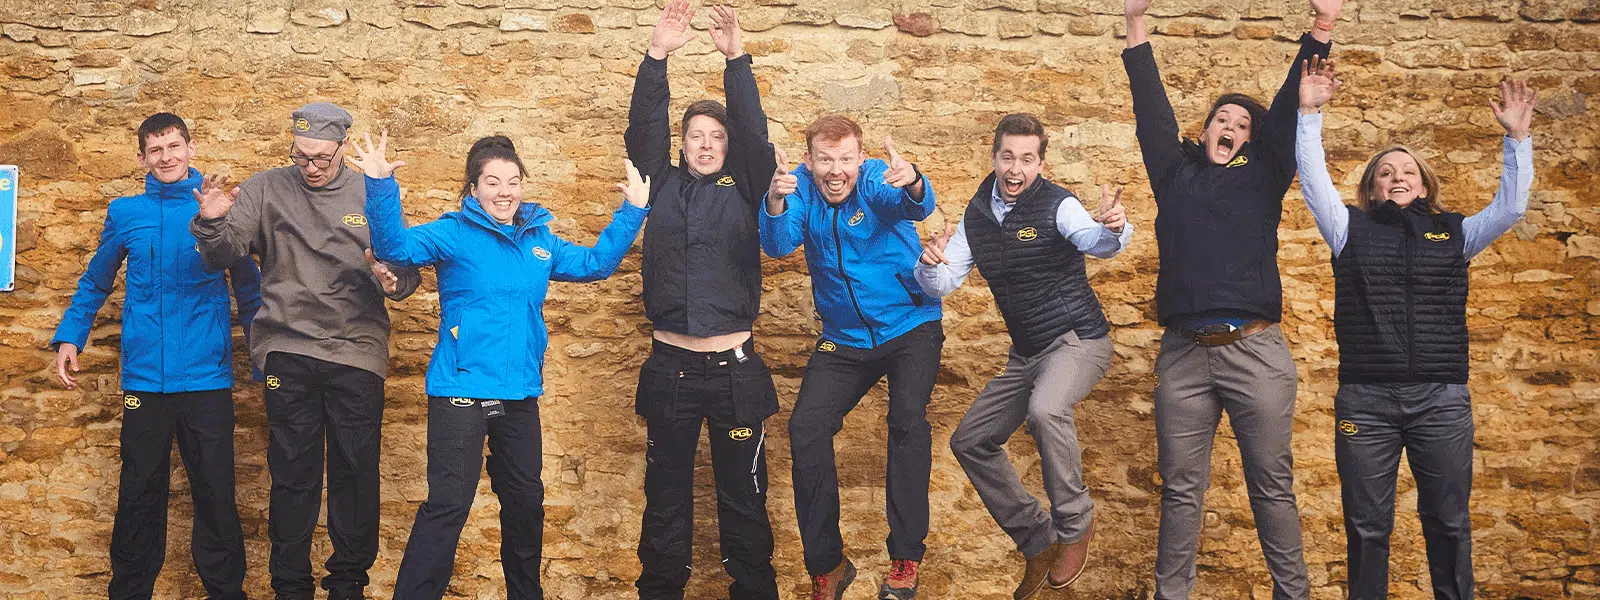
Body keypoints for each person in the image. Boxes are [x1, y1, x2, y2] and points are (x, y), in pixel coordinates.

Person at [353, 132, 649, 600]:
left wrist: (633, 210)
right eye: (493, 182)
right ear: (474, 189)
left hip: (518, 395)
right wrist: (380, 185)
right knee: (448, 507)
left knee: (526, 505)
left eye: (513, 181)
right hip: (460, 391)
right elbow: (394, 249)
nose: (504, 191)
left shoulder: (540, 240)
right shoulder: (452, 232)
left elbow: (596, 264)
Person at [1119, 0, 1340, 596]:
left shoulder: (1267, 173)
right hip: (1184, 355)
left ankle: (1292, 594)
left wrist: (1321, 28)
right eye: (1224, 119)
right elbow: (1150, 110)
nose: (1232, 129)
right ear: (1206, 128)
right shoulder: (1174, 171)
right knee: (1181, 489)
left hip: (1256, 351)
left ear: (1254, 141)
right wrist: (1135, 23)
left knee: (1271, 483)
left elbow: (1293, 107)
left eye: (1244, 125)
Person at [1296, 61, 1537, 599]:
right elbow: (1313, 181)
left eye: (1407, 169)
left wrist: (1518, 139)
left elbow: (1511, 207)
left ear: (1425, 182)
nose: (1397, 175)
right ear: (1371, 188)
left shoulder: (1456, 234)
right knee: (1366, 528)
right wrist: (1309, 113)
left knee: (1448, 524)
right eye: (1385, 171)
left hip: (1441, 401)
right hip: (1365, 403)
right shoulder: (1346, 230)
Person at [190, 102, 421, 600]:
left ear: (342, 146)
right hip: (287, 346)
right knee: (293, 471)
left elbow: (406, 270)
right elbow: (221, 256)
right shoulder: (265, 188)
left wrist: (393, 279)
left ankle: (347, 585)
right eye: (301, 156)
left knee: (354, 470)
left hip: (356, 350)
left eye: (321, 157)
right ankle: (289, 586)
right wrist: (210, 222)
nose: (311, 167)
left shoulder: (368, 191)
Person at [915, 113, 1133, 599]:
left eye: (1027, 159)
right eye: (1008, 157)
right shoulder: (976, 215)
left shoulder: (1059, 205)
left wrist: (1114, 228)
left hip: (1079, 340)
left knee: (1046, 408)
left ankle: (1075, 527)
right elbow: (944, 283)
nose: (1016, 168)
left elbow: (1094, 241)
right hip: (1028, 354)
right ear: (994, 158)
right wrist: (928, 264)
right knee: (970, 440)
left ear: (1040, 162)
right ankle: (1038, 539)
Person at [51, 112, 260, 600]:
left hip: (207, 378)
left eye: (174, 147)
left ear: (191, 147)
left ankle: (226, 592)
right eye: (155, 150)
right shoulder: (126, 212)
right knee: (139, 495)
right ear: (142, 157)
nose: (166, 157)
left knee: (215, 495)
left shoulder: (218, 209)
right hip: (145, 381)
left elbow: (250, 294)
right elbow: (96, 280)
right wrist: (70, 337)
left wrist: (264, 355)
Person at [624, 2, 782, 598]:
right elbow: (643, 128)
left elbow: (755, 135)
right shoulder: (658, 184)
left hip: (734, 373)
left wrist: (735, 59)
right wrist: (657, 55)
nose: (707, 144)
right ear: (683, 144)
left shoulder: (745, 184)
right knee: (664, 504)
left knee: (743, 501)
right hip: (670, 371)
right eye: (696, 136)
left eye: (716, 136)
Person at [761, 114, 940, 600]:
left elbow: (913, 206)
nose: (835, 170)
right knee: (805, 428)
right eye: (825, 160)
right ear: (809, 161)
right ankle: (829, 565)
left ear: (861, 159)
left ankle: (905, 559)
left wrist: (916, 182)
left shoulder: (879, 179)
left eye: (845, 160)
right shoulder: (795, 185)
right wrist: (776, 198)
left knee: (906, 419)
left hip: (909, 326)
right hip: (844, 338)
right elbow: (778, 244)